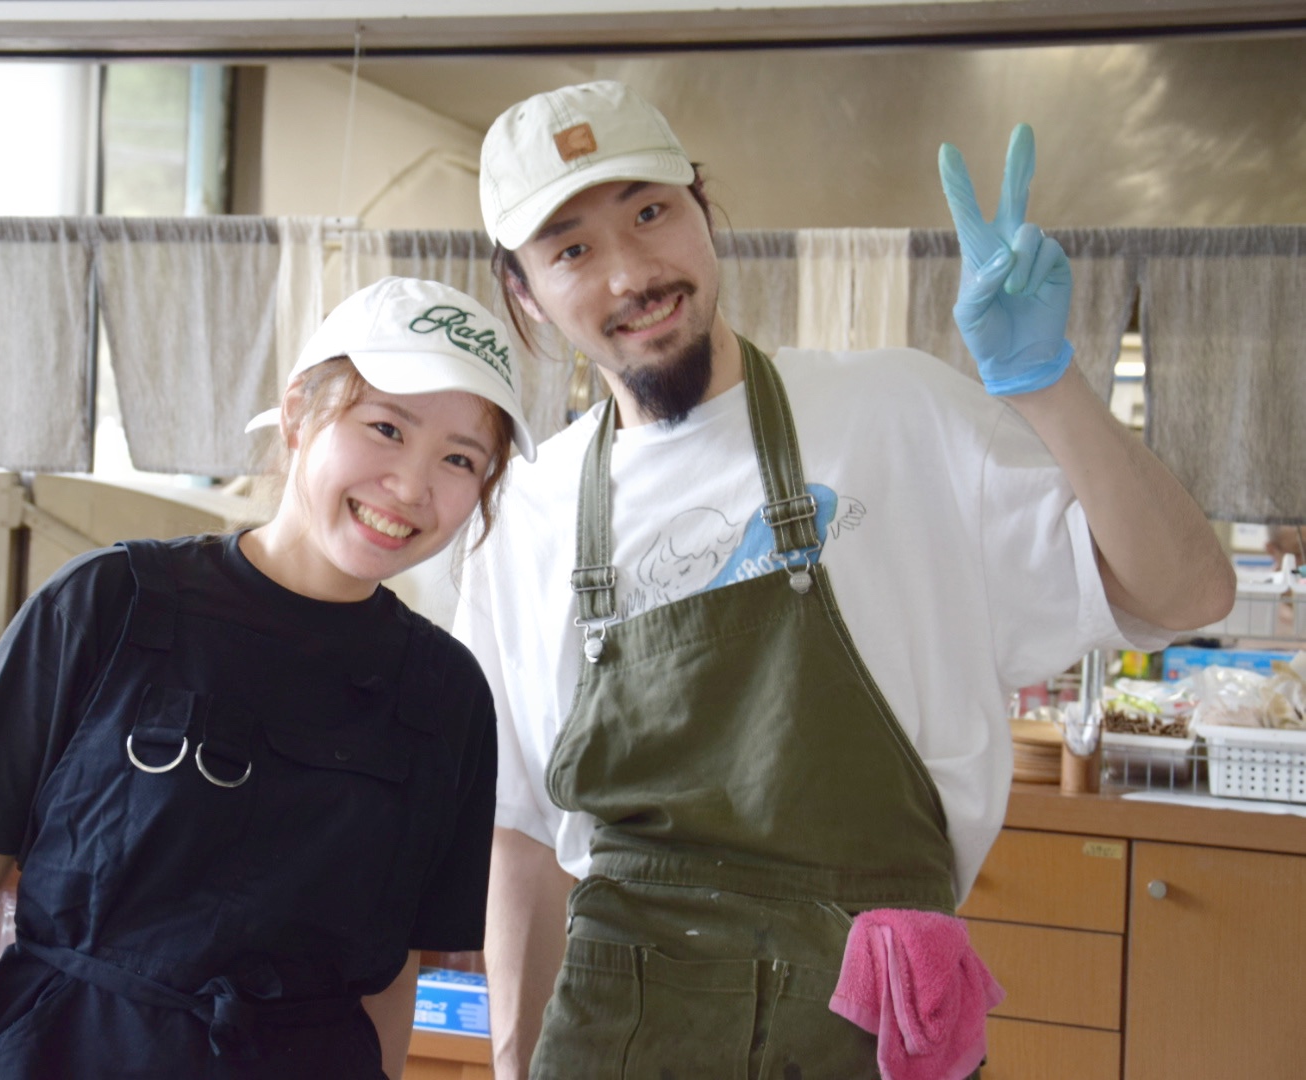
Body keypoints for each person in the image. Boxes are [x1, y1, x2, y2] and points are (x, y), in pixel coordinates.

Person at [453, 80, 1236, 1079]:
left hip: (869, 1017)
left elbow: (1187, 595)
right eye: (571, 250)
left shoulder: (897, 412)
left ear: (703, 208)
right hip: (621, 1025)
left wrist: (1049, 387)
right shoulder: (526, 513)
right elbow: (519, 839)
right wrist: (516, 1067)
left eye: (651, 211)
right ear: (523, 291)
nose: (631, 272)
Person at [0, 276, 537, 1080]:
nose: (410, 486)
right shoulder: (110, 604)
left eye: (459, 458)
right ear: (300, 413)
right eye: (384, 428)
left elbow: (390, 974)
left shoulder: (447, 695)